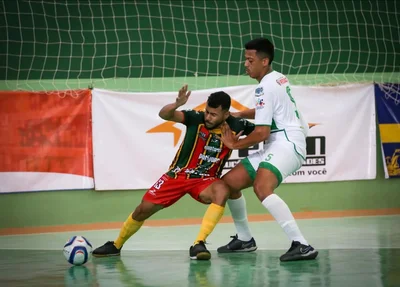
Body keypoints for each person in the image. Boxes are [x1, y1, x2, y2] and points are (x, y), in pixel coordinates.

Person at [92, 85, 255, 260]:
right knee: (143, 209)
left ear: (226, 114)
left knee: (223, 190)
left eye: (213, 114)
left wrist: (239, 142)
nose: (208, 117)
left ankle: (198, 243)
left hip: (206, 181)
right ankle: (116, 245)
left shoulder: (237, 126)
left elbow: (264, 131)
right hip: (177, 175)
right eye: (207, 111)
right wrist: (176, 104)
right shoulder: (195, 118)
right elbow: (165, 114)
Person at [217, 37, 318, 262]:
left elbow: (261, 133)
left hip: (287, 143)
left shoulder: (264, 86)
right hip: (280, 142)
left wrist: (233, 144)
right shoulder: (278, 78)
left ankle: (302, 244)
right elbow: (269, 110)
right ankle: (244, 239)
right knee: (229, 183)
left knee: (262, 186)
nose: (245, 64)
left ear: (264, 61)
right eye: (245, 59)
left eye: (250, 60)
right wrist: (240, 114)